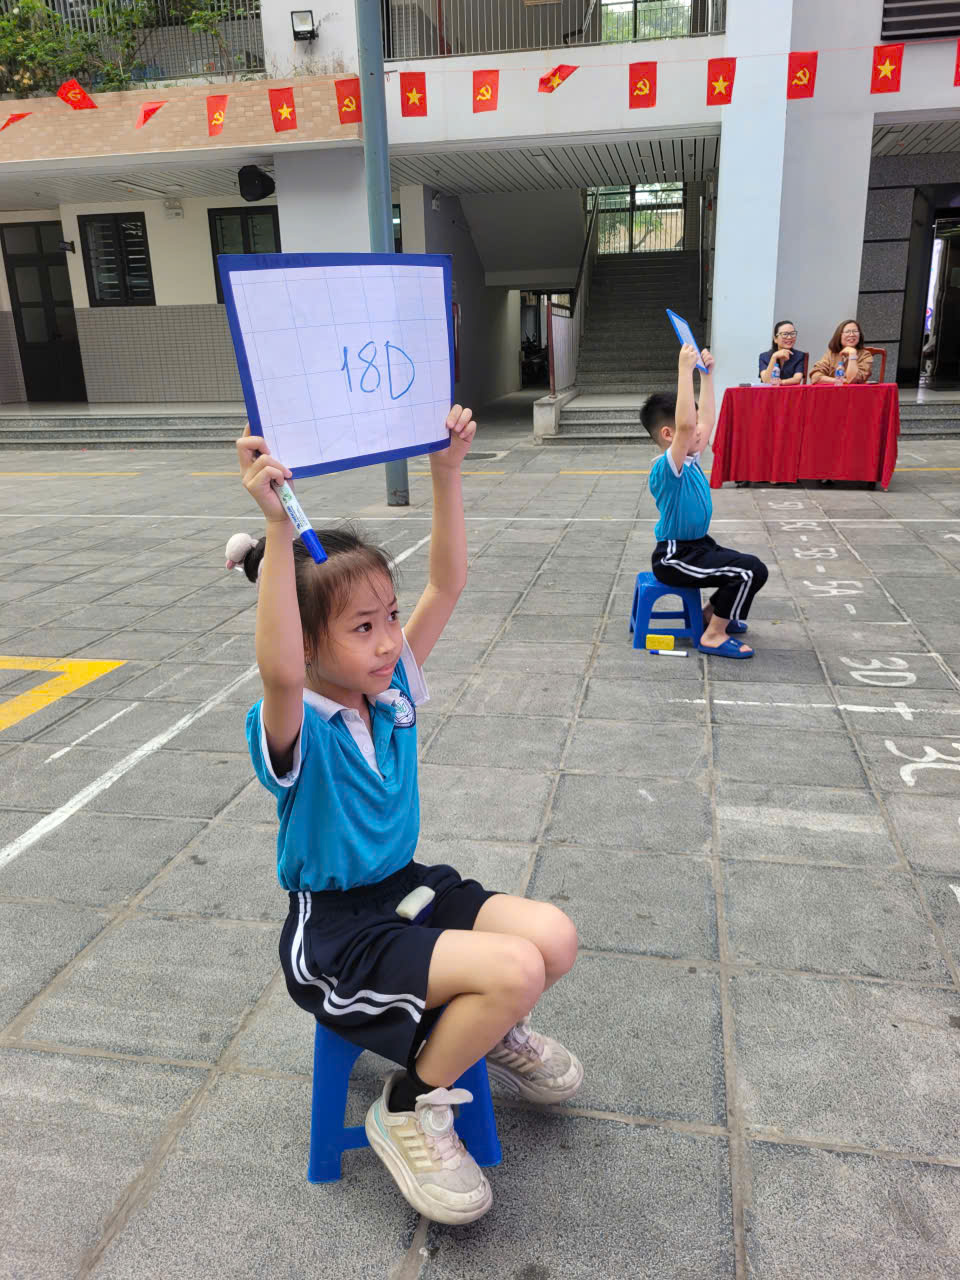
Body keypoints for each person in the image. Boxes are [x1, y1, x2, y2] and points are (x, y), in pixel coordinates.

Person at [231, 407, 582, 1228]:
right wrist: (277, 529)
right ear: (308, 645)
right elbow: (277, 670)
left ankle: (482, 1030)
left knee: (554, 938)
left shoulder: (388, 695)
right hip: (338, 935)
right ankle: (406, 1104)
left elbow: (447, 584)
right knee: (516, 971)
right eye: (363, 627)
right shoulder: (297, 726)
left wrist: (446, 471)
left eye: (389, 616)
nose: (390, 640)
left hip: (407, 889)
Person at [641, 345, 769, 658]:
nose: (699, 429)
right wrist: (684, 371)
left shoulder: (691, 458)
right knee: (748, 571)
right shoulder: (668, 468)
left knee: (754, 568)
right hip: (674, 556)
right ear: (669, 434)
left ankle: (713, 614)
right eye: (691, 424)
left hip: (699, 545)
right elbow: (687, 426)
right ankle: (712, 636)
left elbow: (706, 419)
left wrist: (706, 376)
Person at [809, 319, 874, 384]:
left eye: (855, 331)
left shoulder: (865, 355)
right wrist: (841, 381)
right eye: (847, 332)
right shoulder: (831, 353)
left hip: (854, 390)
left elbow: (853, 380)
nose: (852, 334)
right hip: (832, 390)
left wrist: (852, 354)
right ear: (839, 335)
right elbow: (815, 377)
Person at [758, 320, 806, 385]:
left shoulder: (799, 356)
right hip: (769, 391)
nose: (789, 337)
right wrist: (774, 357)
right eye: (785, 334)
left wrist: (781, 382)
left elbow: (797, 379)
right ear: (775, 339)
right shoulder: (764, 356)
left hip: (790, 391)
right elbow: (766, 381)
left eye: (792, 334)